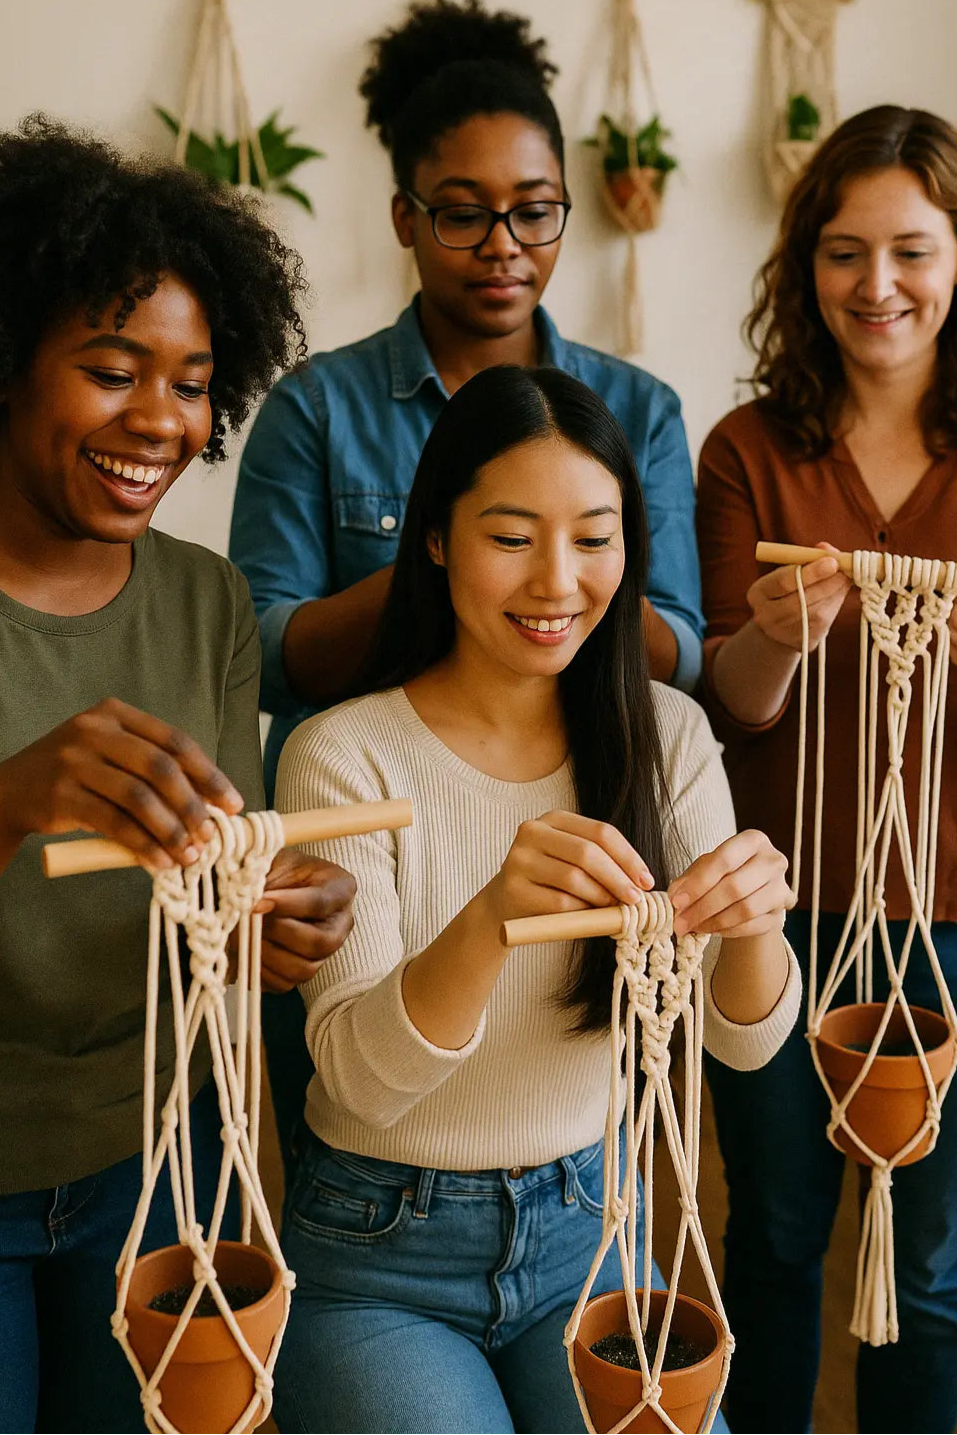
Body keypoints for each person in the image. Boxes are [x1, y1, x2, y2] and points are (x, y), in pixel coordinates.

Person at [272, 365, 799, 1435]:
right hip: (383, 1254)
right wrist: (488, 916)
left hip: (596, 1229)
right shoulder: (344, 755)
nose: (557, 580)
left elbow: (745, 1045)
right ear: (435, 538)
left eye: (594, 536)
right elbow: (362, 1083)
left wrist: (753, 926)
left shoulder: (666, 734)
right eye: (511, 536)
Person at [230, 0, 705, 1176]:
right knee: (358, 1125)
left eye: (534, 211)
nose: (503, 243)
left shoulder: (635, 411)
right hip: (365, 858)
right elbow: (266, 645)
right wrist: (449, 560)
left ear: (565, 210)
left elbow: (682, 646)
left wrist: (537, 555)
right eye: (463, 213)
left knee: (568, 1147)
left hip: (570, 837)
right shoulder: (316, 408)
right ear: (405, 216)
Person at [0, 116, 357, 1435]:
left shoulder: (207, 600)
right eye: (110, 368)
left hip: (154, 1153)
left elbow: (226, 866)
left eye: (194, 381)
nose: (159, 417)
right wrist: (16, 795)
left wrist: (280, 918)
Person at [696, 105, 957, 1435]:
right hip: (777, 909)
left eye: (910, 249)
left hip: (951, 919)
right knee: (781, 1235)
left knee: (930, 1266)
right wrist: (776, 639)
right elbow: (725, 709)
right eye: (844, 252)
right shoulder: (749, 450)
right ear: (804, 267)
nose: (877, 286)